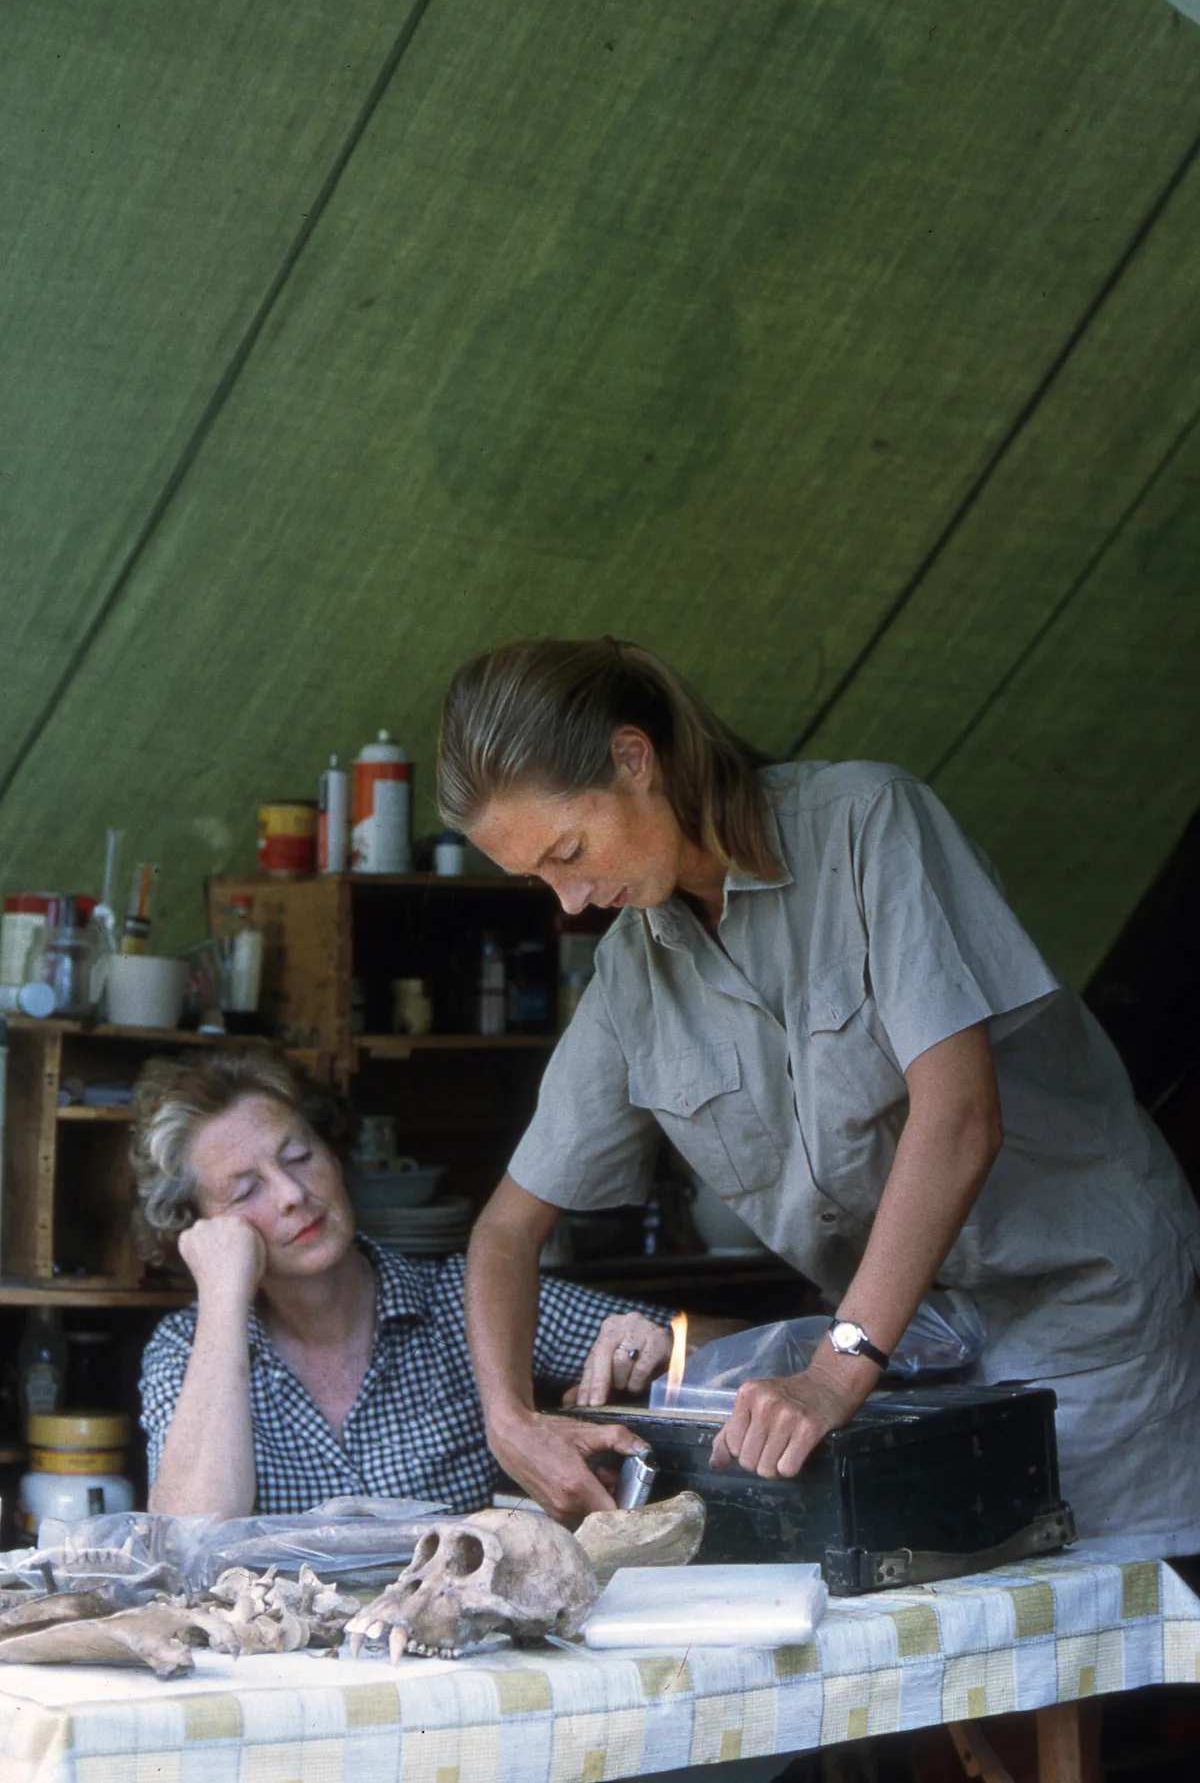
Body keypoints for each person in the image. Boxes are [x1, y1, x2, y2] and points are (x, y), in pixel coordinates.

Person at [438, 636, 1200, 1553]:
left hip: (1089, 1309)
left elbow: (960, 1119)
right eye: (538, 878)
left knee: (1106, 1636)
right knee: (932, 1640)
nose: (567, 900)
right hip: (916, 1346)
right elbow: (505, 1231)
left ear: (634, 759)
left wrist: (836, 1372)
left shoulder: (869, 823)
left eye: (568, 849)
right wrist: (509, 1417)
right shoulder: (631, 974)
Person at [133, 1048, 697, 1518]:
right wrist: (224, 1300)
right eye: (245, 1189)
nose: (291, 1193)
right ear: (199, 1227)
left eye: (300, 1156)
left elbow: (728, 1347)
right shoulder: (186, 1349)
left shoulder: (459, 1301)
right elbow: (189, 1543)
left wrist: (661, 1344)